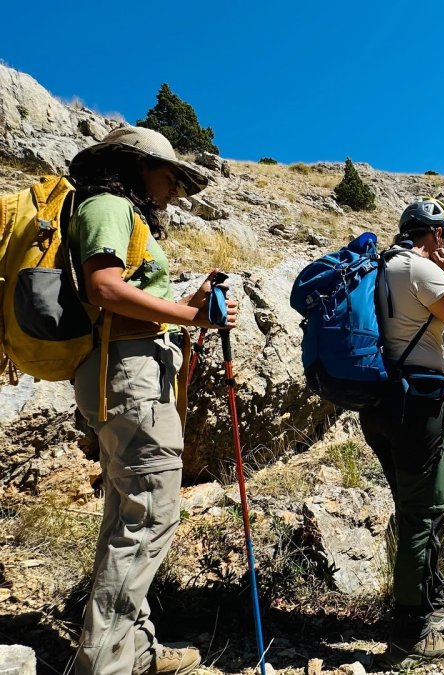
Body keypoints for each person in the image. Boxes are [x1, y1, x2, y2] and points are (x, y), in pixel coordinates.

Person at [68, 127, 238, 675]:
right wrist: (192, 315)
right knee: (151, 513)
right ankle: (109, 663)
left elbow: (124, 297)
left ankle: (132, 648)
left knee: (130, 511)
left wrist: (184, 304)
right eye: (167, 178)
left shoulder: (121, 214)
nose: (170, 191)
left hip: (130, 369)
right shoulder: (109, 205)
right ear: (139, 167)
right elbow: (105, 289)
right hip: (128, 373)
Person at [358, 198, 444, 666]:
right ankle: (413, 629)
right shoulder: (417, 268)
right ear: (431, 233)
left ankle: (428, 600)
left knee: (414, 505)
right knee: (423, 510)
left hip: (380, 401)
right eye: (443, 237)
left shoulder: (379, 266)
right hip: (419, 402)